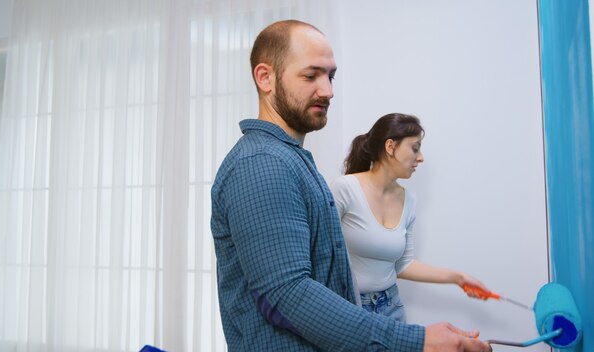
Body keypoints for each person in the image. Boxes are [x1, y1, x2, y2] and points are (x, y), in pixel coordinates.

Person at [210, 19, 492, 351]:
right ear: (265, 77)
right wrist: (418, 341)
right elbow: (289, 294)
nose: (328, 90)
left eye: (330, 76)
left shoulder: (290, 160)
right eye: (310, 75)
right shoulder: (261, 165)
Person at [330, 113, 488, 322]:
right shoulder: (345, 188)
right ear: (390, 147)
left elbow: (403, 265)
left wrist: (458, 278)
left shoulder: (409, 200)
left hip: (391, 308)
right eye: (415, 148)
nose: (420, 157)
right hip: (349, 308)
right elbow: (321, 250)